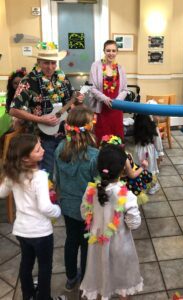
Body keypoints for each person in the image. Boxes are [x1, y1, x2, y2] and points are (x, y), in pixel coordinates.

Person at [0, 134, 64, 300]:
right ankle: (44, 297)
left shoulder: (12, 175)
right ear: (25, 159)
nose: (43, 150)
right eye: (37, 149)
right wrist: (57, 210)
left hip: (21, 231)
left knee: (26, 263)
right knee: (44, 267)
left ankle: (27, 294)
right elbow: (45, 207)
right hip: (41, 233)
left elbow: (2, 193)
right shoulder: (40, 177)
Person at [9, 41, 84, 178]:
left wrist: (78, 100)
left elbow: (71, 101)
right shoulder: (28, 81)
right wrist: (40, 119)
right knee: (46, 175)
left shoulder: (62, 78)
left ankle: (61, 198)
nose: (50, 67)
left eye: (53, 63)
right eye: (46, 63)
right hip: (40, 139)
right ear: (38, 62)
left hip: (64, 134)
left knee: (65, 172)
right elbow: (14, 110)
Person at [80, 144, 143, 300]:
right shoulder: (126, 195)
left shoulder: (90, 191)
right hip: (121, 244)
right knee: (122, 276)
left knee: (99, 272)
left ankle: (102, 294)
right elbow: (134, 223)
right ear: (123, 170)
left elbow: (84, 214)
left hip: (97, 244)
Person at [54, 106, 99, 292]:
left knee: (71, 240)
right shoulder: (93, 156)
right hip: (88, 209)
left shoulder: (59, 149)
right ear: (89, 128)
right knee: (87, 242)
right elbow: (98, 184)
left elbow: (56, 178)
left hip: (67, 205)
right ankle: (87, 279)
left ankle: (71, 278)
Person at [89, 40, 128, 142]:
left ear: (117, 52)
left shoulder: (121, 68)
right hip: (101, 109)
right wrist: (105, 99)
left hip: (116, 110)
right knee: (101, 137)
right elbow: (92, 88)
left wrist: (117, 102)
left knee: (117, 137)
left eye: (113, 51)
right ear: (104, 51)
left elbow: (125, 89)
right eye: (108, 50)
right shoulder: (96, 66)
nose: (111, 53)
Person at [101, 134, 152, 204]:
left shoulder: (103, 159)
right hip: (126, 183)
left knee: (116, 201)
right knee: (127, 201)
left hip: (112, 182)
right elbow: (132, 175)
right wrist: (143, 167)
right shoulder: (125, 157)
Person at [133, 114, 164, 195]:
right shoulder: (153, 128)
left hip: (138, 151)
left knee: (139, 167)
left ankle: (140, 185)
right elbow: (158, 141)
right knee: (150, 168)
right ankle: (152, 187)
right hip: (149, 152)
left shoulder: (136, 127)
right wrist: (160, 152)